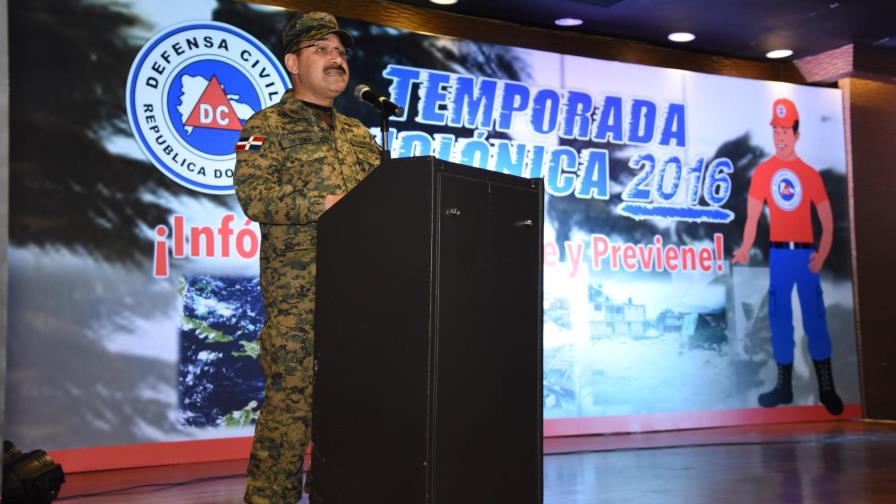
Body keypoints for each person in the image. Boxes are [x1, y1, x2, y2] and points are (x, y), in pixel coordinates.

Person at [233, 11, 381, 504]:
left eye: (340, 52)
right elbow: (256, 199)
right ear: (293, 62)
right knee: (290, 408)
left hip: (359, 294)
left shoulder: (360, 135)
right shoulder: (266, 126)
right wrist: (323, 207)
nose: (336, 59)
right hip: (298, 297)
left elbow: (389, 206)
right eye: (321, 50)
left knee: (354, 408)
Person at [732, 98, 843, 416]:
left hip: (806, 254)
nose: (780, 136)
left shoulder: (809, 175)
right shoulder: (764, 173)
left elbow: (827, 218)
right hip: (779, 256)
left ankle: (826, 387)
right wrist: (744, 246)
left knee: (814, 319)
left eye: (785, 130)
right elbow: (753, 217)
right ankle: (784, 386)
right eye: (776, 130)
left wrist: (822, 253)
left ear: (796, 134)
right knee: (780, 319)